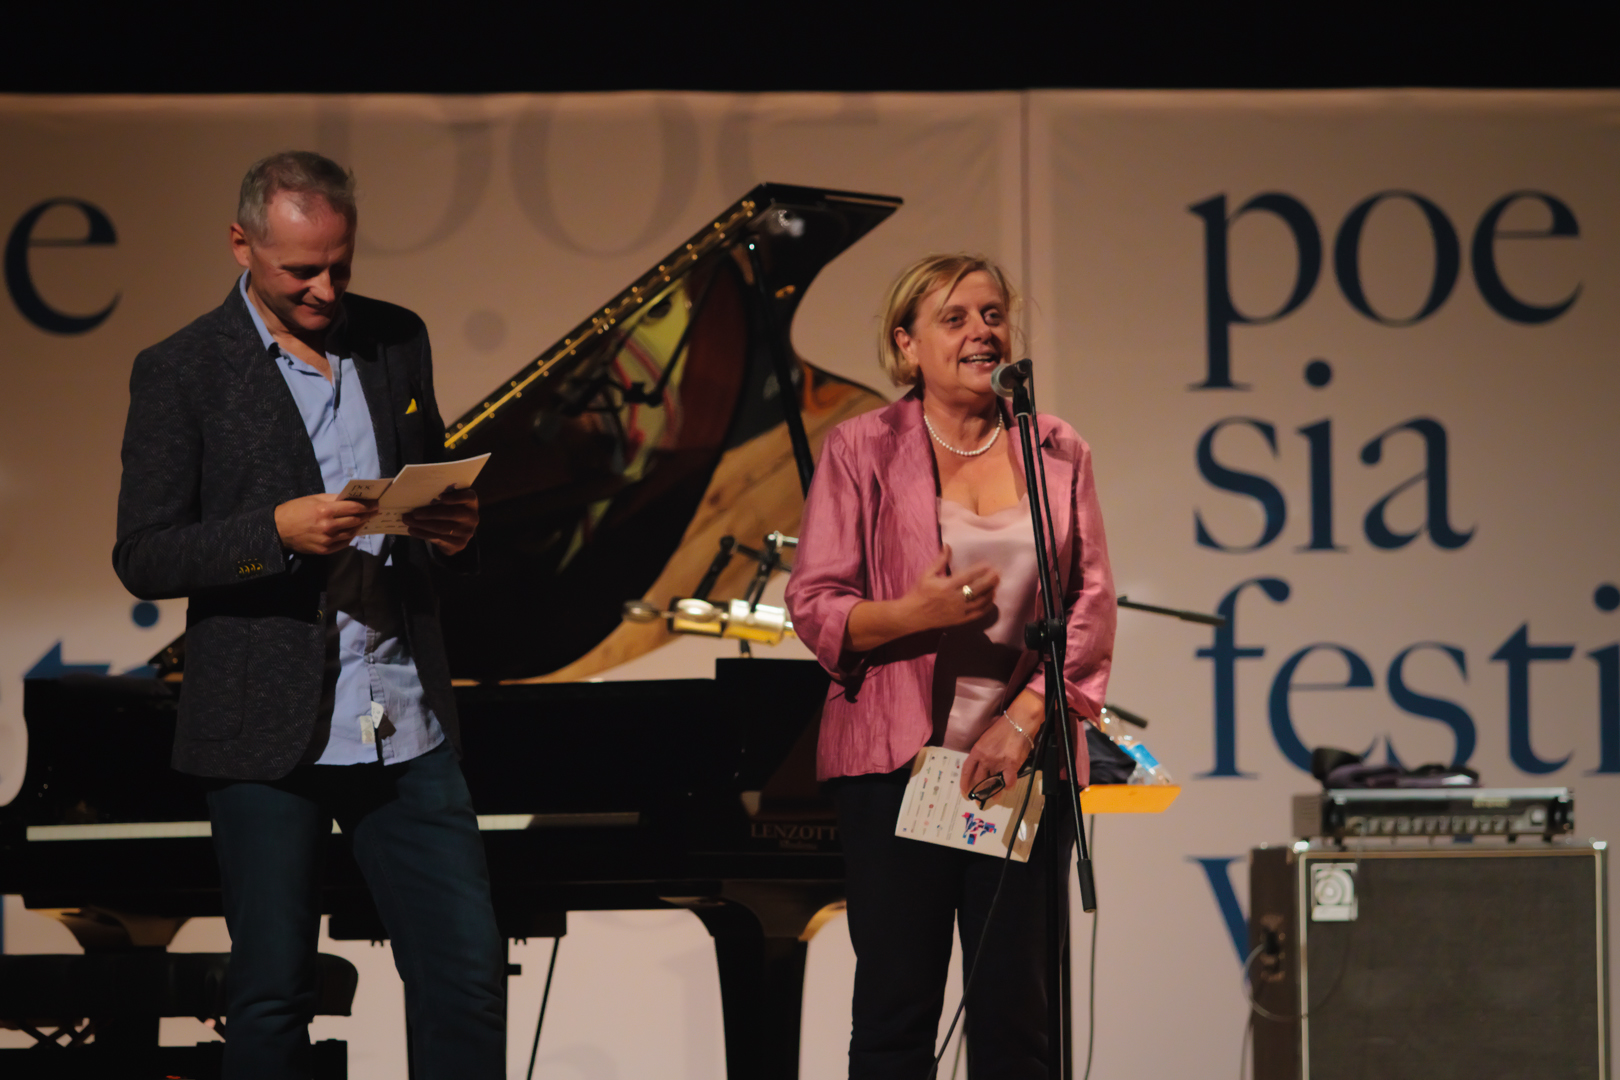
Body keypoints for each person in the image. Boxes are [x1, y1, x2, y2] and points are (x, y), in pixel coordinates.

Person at [112, 151, 505, 1080]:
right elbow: (144, 554)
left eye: (342, 264)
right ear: (242, 245)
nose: (327, 288)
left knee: (466, 977)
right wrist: (274, 533)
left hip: (402, 714)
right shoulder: (181, 369)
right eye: (302, 271)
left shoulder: (394, 339)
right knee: (274, 989)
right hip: (264, 727)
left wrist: (456, 527)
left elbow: (433, 479)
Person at [785, 253, 1115, 1079]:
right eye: (956, 318)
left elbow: (1090, 604)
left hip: (1016, 765)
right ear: (907, 347)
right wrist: (913, 614)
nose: (982, 332)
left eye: (993, 315)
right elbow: (816, 601)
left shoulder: (1055, 447)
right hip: (895, 767)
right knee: (896, 1017)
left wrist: (1025, 720)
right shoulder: (860, 448)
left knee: (1017, 1021)